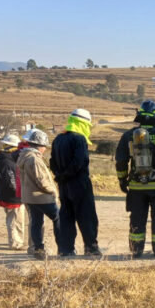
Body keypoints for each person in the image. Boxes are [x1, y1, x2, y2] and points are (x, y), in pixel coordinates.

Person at [116, 100, 155, 258]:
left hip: (137, 187)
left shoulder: (128, 136)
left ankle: (136, 250)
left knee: (137, 218)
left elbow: (121, 161)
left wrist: (122, 180)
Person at [50, 109, 101, 256]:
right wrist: (67, 175)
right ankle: (91, 248)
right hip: (79, 183)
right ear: (83, 123)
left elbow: (52, 162)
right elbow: (80, 161)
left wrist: (60, 176)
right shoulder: (79, 139)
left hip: (63, 186)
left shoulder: (58, 139)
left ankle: (65, 250)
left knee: (66, 217)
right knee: (87, 216)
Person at [17, 129, 60, 260]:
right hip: (41, 197)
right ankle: (63, 247)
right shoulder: (34, 160)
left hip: (29, 197)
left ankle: (38, 249)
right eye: (44, 146)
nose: (45, 149)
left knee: (36, 222)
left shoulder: (24, 156)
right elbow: (41, 181)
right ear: (39, 145)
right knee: (59, 219)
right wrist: (53, 191)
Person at [0, 134, 26, 250]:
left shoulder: (5, 160)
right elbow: (11, 180)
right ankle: (15, 243)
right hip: (13, 197)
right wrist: (18, 192)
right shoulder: (8, 162)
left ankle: (16, 240)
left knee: (15, 219)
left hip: (10, 196)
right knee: (14, 220)